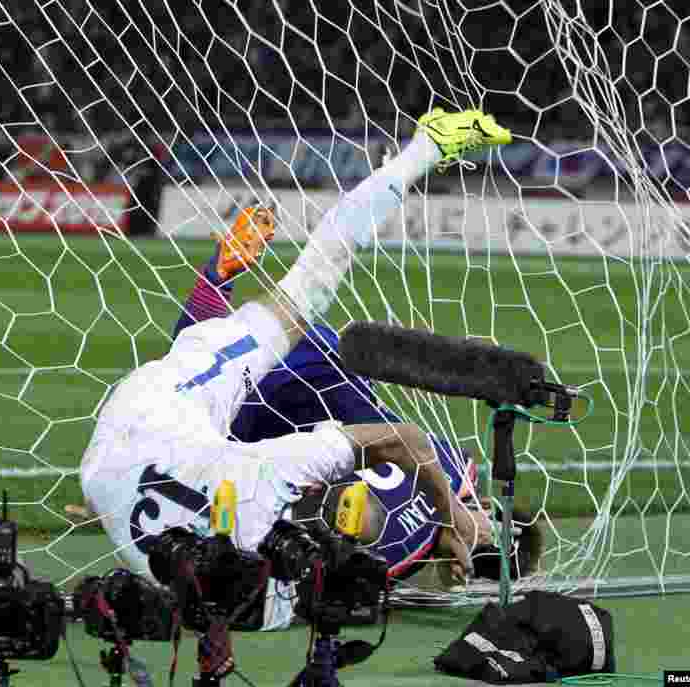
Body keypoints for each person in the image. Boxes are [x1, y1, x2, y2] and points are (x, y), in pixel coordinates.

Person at [80, 108, 513, 629]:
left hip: (164, 403)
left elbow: (404, 441)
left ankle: (426, 146)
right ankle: (217, 280)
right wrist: (455, 515)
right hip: (122, 456)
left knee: (308, 289)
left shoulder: (264, 486)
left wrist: (453, 518)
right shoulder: (262, 590)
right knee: (266, 343)